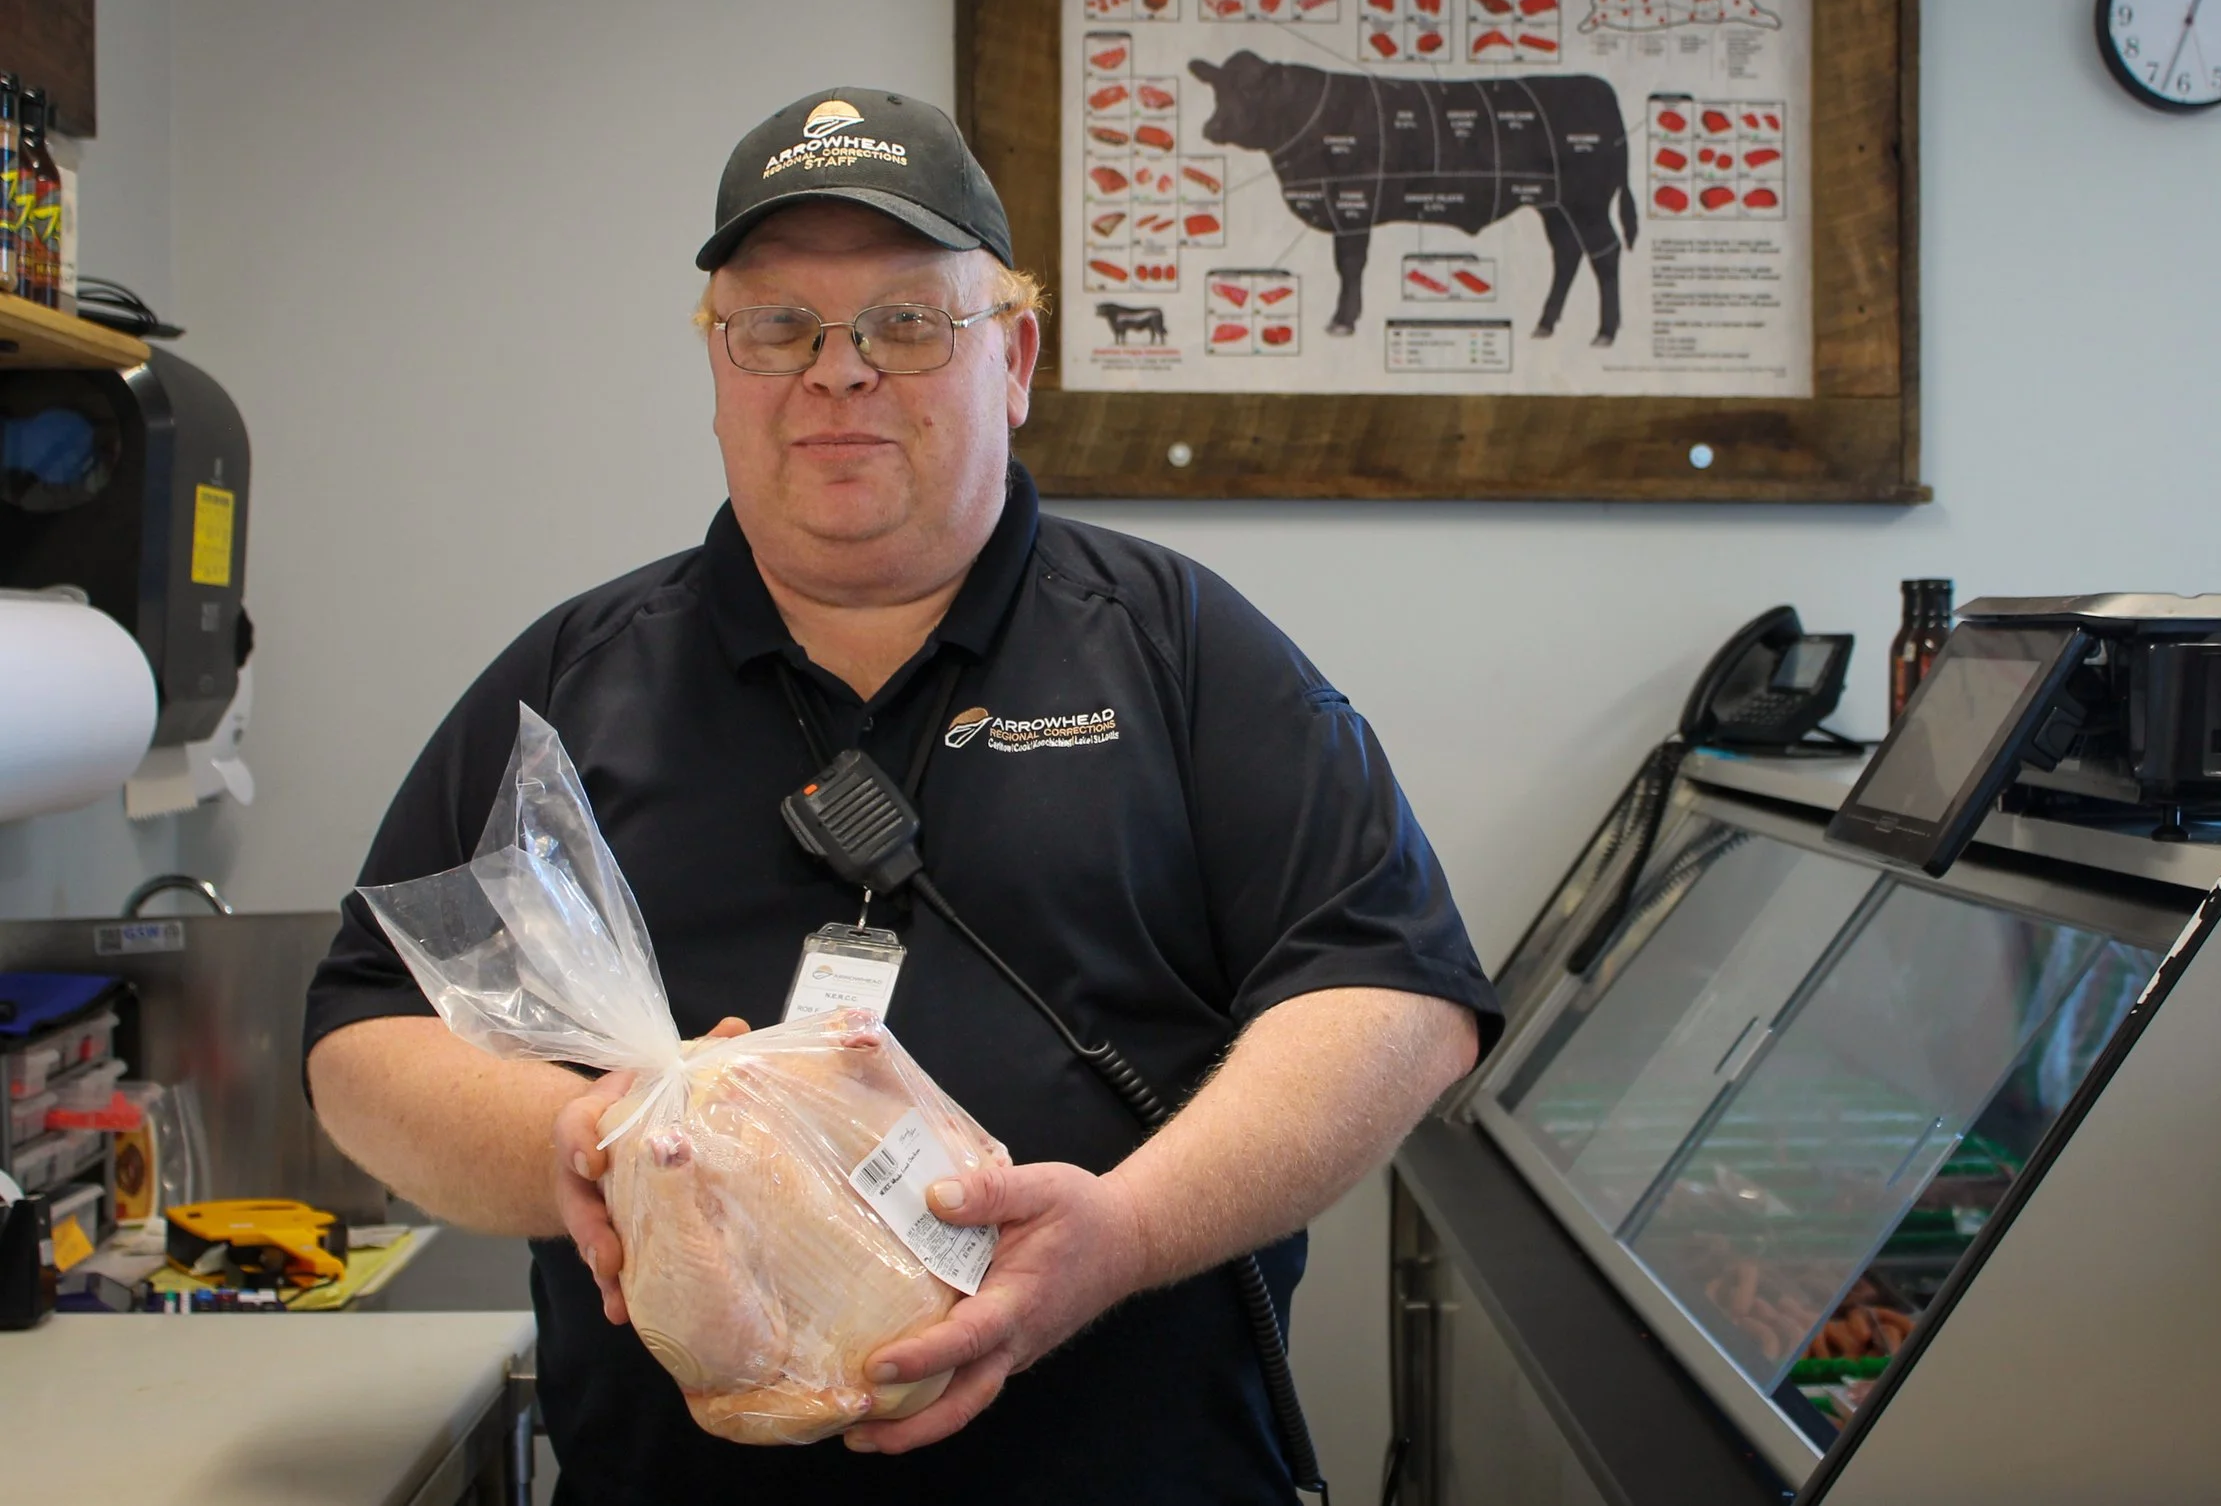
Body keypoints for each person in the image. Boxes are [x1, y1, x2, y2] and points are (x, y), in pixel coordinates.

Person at [301, 86, 1501, 1505]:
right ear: (719, 365)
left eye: (907, 322)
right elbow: (362, 1039)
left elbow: (1394, 999)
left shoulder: (1180, 647)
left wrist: (1119, 1231)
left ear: (1017, 358)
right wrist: (572, 1142)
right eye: (778, 326)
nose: (839, 371)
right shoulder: (579, 678)